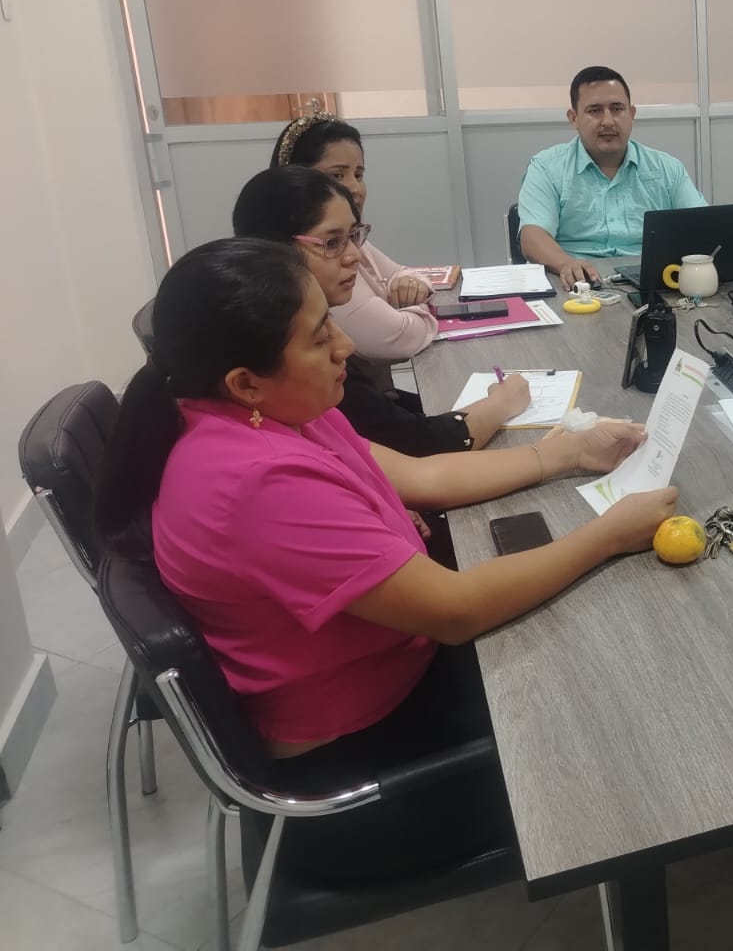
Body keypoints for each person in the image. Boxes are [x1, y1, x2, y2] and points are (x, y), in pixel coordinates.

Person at [91, 237, 677, 880]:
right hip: (362, 782)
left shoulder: (273, 410)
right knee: (621, 702)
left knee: (596, 642)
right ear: (245, 381)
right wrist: (608, 534)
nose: (345, 346)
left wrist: (566, 453)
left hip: (395, 682)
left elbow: (423, 477)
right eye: (320, 338)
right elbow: (455, 610)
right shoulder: (255, 481)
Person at [234, 167, 527, 457]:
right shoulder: (294, 354)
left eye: (354, 236)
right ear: (274, 250)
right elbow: (420, 448)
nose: (355, 255)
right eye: (332, 242)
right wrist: (502, 405)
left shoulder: (319, 316)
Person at [516, 65, 706, 289]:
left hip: (654, 281)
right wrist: (565, 263)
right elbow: (532, 236)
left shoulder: (667, 168)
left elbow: (703, 227)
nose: (608, 121)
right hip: (578, 284)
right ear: (574, 118)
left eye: (617, 109)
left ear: (632, 114)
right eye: (595, 110)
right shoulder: (547, 168)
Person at [271, 112, 439, 365]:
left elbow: (406, 274)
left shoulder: (346, 238)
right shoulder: (304, 256)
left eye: (358, 175)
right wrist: (423, 309)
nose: (355, 188)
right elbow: (397, 337)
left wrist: (408, 287)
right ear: (297, 180)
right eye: (337, 176)